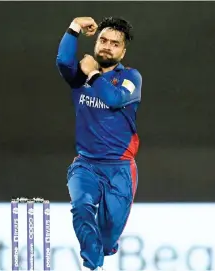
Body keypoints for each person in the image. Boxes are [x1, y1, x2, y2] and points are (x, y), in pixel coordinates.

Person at [56, 16, 142, 271]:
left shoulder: (131, 77)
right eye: (103, 40)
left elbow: (114, 99)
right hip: (86, 165)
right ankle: (92, 267)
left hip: (120, 169)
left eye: (114, 43)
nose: (107, 46)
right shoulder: (77, 76)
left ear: (123, 51)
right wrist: (73, 27)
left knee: (107, 239)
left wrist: (92, 72)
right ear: (95, 42)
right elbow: (63, 61)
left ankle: (103, 251)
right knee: (81, 205)